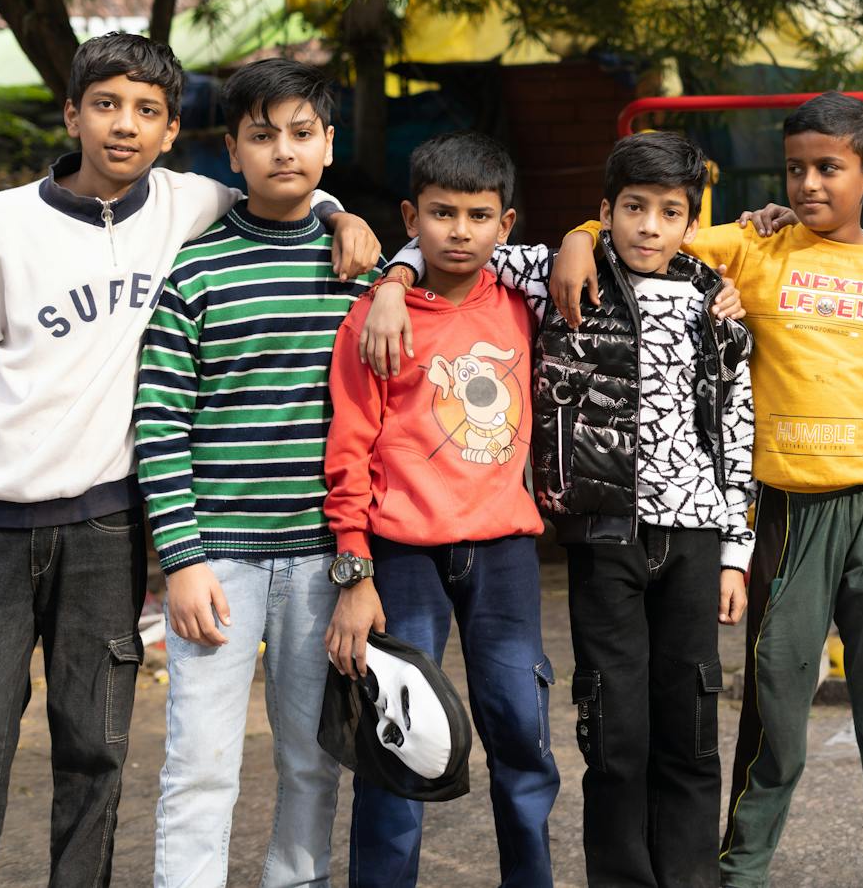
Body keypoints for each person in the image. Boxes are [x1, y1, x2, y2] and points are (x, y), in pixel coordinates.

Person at [0, 32, 378, 888]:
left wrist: (346, 216)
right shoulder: (7, 220)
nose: (124, 126)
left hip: (105, 522)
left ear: (172, 134)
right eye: (106, 105)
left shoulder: (186, 203)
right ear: (73, 115)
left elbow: (290, 172)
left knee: (96, 748)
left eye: (148, 112)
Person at [550, 92, 863, 888]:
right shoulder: (758, 246)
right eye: (796, 168)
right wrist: (576, 235)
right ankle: (738, 871)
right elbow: (653, 227)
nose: (809, 184)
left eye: (828, 169)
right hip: (786, 510)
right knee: (774, 702)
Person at [364, 131, 756, 888]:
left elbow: (737, 428)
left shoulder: (718, 301)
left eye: (668, 212)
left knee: (692, 726)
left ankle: (689, 876)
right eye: (632, 208)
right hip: (603, 536)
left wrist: (737, 549)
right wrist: (390, 282)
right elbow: (453, 244)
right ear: (604, 210)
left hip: (698, 538)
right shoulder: (551, 275)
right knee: (613, 729)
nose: (648, 227)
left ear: (691, 221)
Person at [134, 58, 377, 887]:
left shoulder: (364, 276)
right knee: (200, 767)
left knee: (313, 763)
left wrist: (358, 565)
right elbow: (160, 424)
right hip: (217, 566)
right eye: (261, 134)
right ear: (230, 151)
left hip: (322, 561)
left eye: (302, 133)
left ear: (329, 146)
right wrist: (182, 561)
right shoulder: (195, 272)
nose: (283, 150)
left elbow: (382, 427)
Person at [323, 130, 559, 888]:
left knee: (522, 734)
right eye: (442, 213)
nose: (460, 230)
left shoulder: (528, 303)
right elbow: (349, 446)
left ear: (507, 223)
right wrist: (354, 568)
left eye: (479, 215)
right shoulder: (375, 317)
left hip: (503, 554)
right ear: (410, 216)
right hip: (402, 558)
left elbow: (619, 243)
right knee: (401, 744)